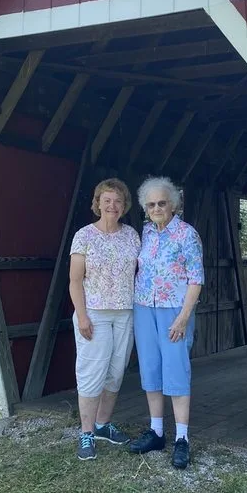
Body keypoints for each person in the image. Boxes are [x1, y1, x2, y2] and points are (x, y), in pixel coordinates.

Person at [129, 177, 204, 469]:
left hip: (175, 310)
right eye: (151, 204)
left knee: (176, 369)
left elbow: (196, 280)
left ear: (172, 204)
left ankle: (182, 439)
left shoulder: (187, 235)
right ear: (145, 208)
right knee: (150, 368)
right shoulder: (146, 233)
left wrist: (183, 318)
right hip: (144, 306)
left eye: (162, 203)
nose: (157, 208)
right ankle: (157, 431)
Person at [69, 178, 141, 461]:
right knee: (91, 372)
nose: (112, 206)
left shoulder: (132, 235)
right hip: (95, 313)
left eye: (118, 201)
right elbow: (75, 281)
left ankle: (103, 425)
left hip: (125, 312)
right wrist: (83, 316)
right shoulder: (84, 236)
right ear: (97, 203)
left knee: (116, 371)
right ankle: (86, 433)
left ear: (125, 206)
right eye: (107, 200)